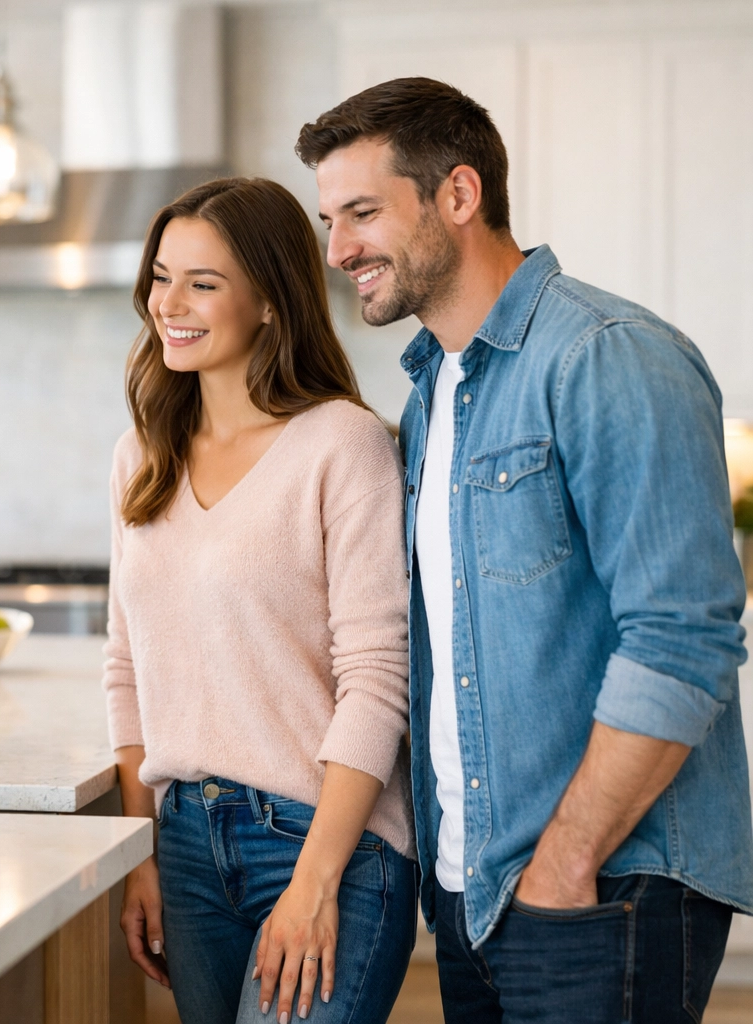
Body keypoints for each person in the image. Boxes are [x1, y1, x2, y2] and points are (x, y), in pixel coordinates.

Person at [297, 77, 753, 1022]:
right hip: (477, 893)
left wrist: (566, 861)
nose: (338, 251)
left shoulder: (606, 354)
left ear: (459, 195)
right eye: (329, 221)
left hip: (601, 887)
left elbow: (683, 638)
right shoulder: (431, 393)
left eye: (363, 214)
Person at [106, 177, 417, 1024]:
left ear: (272, 301)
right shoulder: (142, 453)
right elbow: (125, 667)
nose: (170, 304)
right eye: (161, 276)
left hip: (324, 843)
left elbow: (378, 680)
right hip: (185, 850)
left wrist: (316, 882)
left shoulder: (342, 443)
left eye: (203, 283)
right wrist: (141, 856)